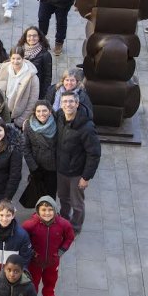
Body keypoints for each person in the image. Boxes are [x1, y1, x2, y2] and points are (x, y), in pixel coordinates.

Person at [55, 91, 101, 234]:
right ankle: (63, 220)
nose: (67, 105)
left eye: (71, 102)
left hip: (76, 173)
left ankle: (75, 228)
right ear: (61, 104)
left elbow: (94, 154)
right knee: (63, 198)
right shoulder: (60, 117)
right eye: (64, 102)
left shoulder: (87, 128)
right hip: (61, 170)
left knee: (77, 204)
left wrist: (86, 177)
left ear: (77, 103)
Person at [21, 196, 75, 296]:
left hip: (53, 261)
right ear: (38, 210)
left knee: (50, 281)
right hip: (34, 262)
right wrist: (30, 252)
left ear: (55, 210)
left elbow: (69, 237)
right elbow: (23, 240)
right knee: (32, 282)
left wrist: (61, 251)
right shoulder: (29, 225)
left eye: (50, 209)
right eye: (43, 210)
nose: (47, 213)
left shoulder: (63, 224)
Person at [0, 47, 40, 128]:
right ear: (10, 58)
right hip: (3, 113)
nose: (15, 62)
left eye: (18, 58)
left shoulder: (32, 77)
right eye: (13, 58)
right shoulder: (2, 71)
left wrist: (20, 121)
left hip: (19, 118)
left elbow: (32, 102)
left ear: (23, 58)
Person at [23, 101, 58, 201]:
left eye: (44, 111)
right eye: (38, 111)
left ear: (50, 111)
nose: (41, 114)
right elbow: (25, 147)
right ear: (35, 112)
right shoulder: (29, 125)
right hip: (37, 165)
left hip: (53, 166)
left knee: (51, 194)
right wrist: (33, 167)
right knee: (38, 193)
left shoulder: (57, 122)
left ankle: (51, 214)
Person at [16, 26, 52, 99]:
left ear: (39, 37)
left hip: (35, 90)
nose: (32, 38)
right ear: (25, 37)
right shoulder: (19, 51)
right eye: (29, 36)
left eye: (34, 36)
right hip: (19, 88)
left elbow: (47, 77)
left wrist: (42, 95)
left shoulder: (45, 55)